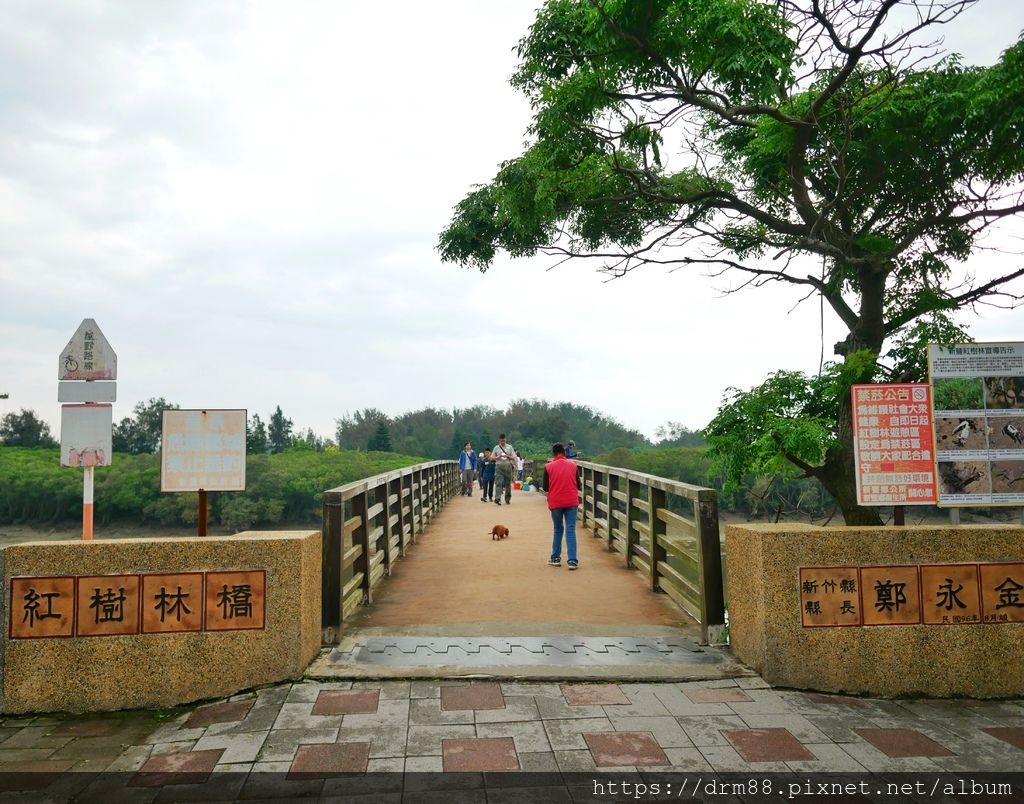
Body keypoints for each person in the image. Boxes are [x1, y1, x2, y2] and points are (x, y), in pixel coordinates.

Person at [543, 442, 580, 569]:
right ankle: (572, 560)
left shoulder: (548, 467)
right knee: (570, 529)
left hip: (556, 502)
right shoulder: (573, 466)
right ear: (564, 453)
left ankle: (556, 558)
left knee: (558, 528)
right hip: (571, 501)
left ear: (553, 453)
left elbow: (545, 487)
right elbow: (578, 485)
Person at [491, 434, 517, 505]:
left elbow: (514, 457)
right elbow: (492, 457)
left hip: (508, 466)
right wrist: (497, 457)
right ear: (499, 440)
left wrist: (508, 456)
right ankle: (497, 498)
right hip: (499, 466)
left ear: (506, 439)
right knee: (498, 483)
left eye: (504, 440)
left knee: (508, 483)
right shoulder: (496, 447)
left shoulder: (510, 447)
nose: (502, 442)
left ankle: (507, 498)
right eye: (501, 440)